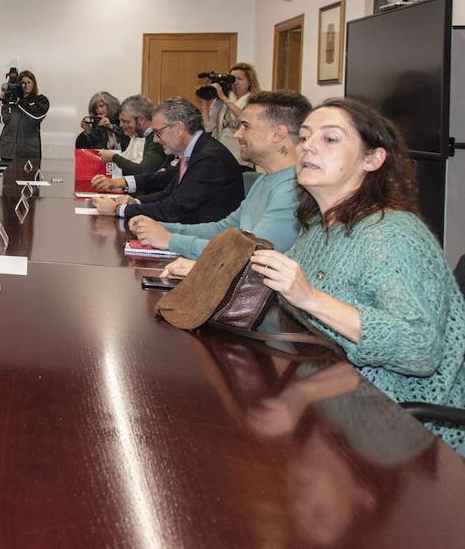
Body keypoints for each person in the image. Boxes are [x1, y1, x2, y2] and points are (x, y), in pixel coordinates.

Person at [247, 98, 465, 453]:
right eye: (304, 137)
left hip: (399, 428)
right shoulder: (320, 226)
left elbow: (420, 349)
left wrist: (312, 299)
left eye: (330, 139)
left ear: (372, 159)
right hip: (333, 392)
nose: (308, 147)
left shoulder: (393, 235)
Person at [128, 90, 310, 270]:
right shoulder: (265, 180)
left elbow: (249, 255)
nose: (237, 134)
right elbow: (224, 229)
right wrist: (162, 227)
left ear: (278, 134)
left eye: (246, 126)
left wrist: (171, 240)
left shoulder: (291, 191)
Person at [94, 97, 243, 224]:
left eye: (158, 133)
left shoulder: (210, 158)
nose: (156, 140)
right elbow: (168, 193)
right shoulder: (197, 150)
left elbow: (174, 208)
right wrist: (135, 202)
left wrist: (118, 209)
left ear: (178, 128)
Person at [201, 61, 260, 169]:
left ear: (250, 81)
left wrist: (224, 98)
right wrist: (204, 102)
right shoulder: (221, 100)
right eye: (232, 79)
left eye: (240, 79)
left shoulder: (255, 101)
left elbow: (246, 118)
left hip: (241, 159)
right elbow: (208, 127)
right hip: (220, 155)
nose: (235, 82)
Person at [92, 94, 165, 179]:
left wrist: (114, 157)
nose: (121, 125)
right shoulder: (137, 137)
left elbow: (143, 171)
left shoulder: (156, 140)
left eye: (125, 121)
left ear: (141, 120)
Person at [0, 70, 50, 159]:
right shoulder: (12, 100)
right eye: (23, 83)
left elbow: (36, 116)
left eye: (29, 82)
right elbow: (3, 120)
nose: (26, 85)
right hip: (8, 151)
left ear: (34, 84)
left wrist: (19, 102)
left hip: (29, 152)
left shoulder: (40, 100)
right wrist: (3, 101)